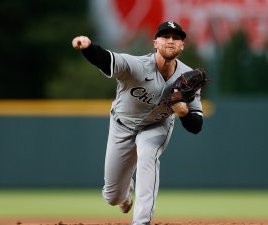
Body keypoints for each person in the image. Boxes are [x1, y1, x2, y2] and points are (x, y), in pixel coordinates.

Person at [72, 21, 203, 225]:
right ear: (155, 43)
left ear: (182, 46)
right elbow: (106, 60)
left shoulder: (188, 78)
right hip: (121, 125)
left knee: (148, 154)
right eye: (165, 37)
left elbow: (196, 126)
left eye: (176, 38)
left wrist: (184, 112)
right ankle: (125, 193)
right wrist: (88, 48)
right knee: (112, 197)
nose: (170, 41)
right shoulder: (137, 65)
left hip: (157, 125)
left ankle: (141, 222)